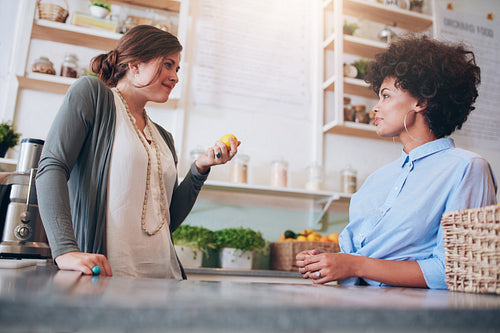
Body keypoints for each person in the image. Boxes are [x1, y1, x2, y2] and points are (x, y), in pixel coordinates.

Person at [36, 25, 239, 279]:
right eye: (167, 64)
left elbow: (166, 220)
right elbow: (51, 167)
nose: (175, 76)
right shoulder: (93, 97)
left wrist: (200, 168)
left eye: (177, 69)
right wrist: (65, 249)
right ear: (135, 64)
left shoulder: (164, 137)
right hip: (109, 277)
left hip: (165, 279)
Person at [296, 35, 497, 289]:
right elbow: (360, 262)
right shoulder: (376, 180)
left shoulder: (467, 168)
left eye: (386, 96)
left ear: (421, 101)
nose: (375, 108)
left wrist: (354, 264)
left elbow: (459, 270)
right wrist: (327, 262)